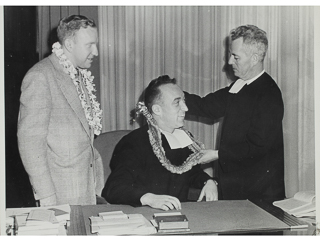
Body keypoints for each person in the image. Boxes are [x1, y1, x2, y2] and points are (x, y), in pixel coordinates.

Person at [184, 25, 285, 202]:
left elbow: (257, 147)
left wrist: (216, 154)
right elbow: (206, 106)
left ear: (254, 59)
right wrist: (174, 94)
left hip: (258, 198)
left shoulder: (269, 94)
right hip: (236, 191)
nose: (230, 62)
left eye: (235, 57)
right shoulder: (240, 85)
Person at [17, 15, 104, 206]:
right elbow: (30, 144)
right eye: (89, 45)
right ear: (69, 44)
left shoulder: (79, 74)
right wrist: (46, 195)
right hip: (59, 192)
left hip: (85, 186)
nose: (95, 52)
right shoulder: (40, 76)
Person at [102, 75, 218, 211]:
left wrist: (208, 181)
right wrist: (150, 199)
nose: (186, 108)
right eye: (177, 102)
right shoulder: (134, 142)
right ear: (157, 110)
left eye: (184, 101)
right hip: (143, 217)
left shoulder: (185, 138)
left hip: (179, 216)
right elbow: (114, 188)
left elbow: (191, 173)